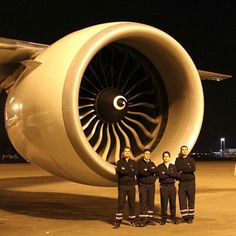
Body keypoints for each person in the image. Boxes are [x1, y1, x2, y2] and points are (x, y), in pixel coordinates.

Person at [113, 146, 138, 228]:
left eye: (128, 151)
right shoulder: (119, 162)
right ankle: (118, 221)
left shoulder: (134, 162)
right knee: (121, 204)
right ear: (123, 153)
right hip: (122, 186)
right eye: (125, 151)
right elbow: (121, 171)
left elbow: (135, 172)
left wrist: (126, 170)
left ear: (130, 153)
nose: (127, 152)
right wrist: (130, 170)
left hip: (131, 186)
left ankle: (132, 220)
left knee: (132, 204)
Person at [157, 151, 180, 225]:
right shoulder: (160, 167)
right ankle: (163, 218)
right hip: (164, 187)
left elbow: (177, 176)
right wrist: (171, 174)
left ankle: (173, 218)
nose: (166, 157)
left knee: (173, 203)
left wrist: (166, 173)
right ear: (163, 158)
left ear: (169, 157)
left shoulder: (173, 166)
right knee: (164, 203)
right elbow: (161, 176)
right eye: (164, 156)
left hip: (172, 187)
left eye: (167, 156)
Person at [175, 145, 196, 223]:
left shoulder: (191, 160)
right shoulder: (177, 160)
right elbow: (177, 168)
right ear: (181, 151)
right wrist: (187, 168)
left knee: (191, 199)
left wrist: (182, 170)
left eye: (185, 150)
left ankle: (190, 217)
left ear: (187, 151)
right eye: (182, 150)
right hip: (182, 183)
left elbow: (193, 169)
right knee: (182, 200)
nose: (184, 151)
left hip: (191, 183)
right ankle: (184, 216)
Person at [137, 148, 157, 226]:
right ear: (143, 154)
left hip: (151, 185)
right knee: (143, 201)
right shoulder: (139, 163)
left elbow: (155, 171)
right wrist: (150, 171)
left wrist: (148, 171)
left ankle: (149, 219)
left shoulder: (152, 163)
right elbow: (141, 172)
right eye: (146, 154)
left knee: (150, 202)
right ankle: (143, 219)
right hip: (143, 185)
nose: (148, 155)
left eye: (149, 154)